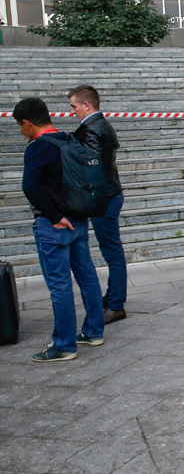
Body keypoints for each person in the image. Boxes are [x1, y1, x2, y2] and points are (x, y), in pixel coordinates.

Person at [14, 98, 105, 362]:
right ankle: (93, 332)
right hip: (77, 218)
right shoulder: (68, 139)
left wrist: (53, 216)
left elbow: (31, 187)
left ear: (28, 123)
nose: (22, 131)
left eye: (21, 127)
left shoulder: (37, 147)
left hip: (54, 224)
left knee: (60, 285)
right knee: (86, 275)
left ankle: (64, 345)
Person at [68, 85, 127, 325]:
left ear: (86, 105)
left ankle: (116, 305)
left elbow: (88, 164)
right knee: (112, 250)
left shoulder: (94, 128)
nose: (73, 111)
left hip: (104, 197)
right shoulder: (96, 126)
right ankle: (113, 297)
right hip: (107, 194)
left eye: (74, 106)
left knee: (112, 252)